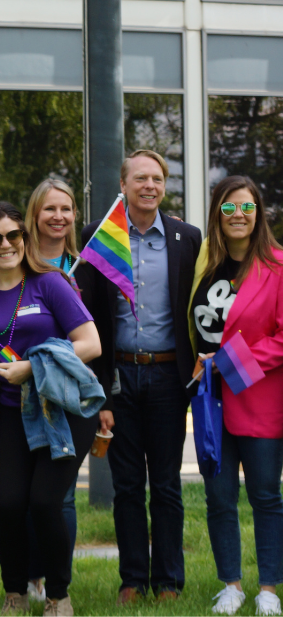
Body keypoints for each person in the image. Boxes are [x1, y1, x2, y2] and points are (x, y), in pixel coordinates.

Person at [0, 202, 102, 617]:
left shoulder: (50, 284)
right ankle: (14, 593)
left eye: (13, 235)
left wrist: (32, 367)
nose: (6, 244)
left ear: (25, 238)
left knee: (44, 502)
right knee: (7, 506)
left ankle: (58, 596)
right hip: (9, 414)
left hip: (62, 410)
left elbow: (91, 344)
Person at [74, 149, 202, 604]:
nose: (149, 186)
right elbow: (87, 315)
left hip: (169, 377)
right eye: (140, 179)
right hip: (118, 377)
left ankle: (168, 581)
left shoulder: (188, 239)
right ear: (123, 186)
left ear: (164, 186)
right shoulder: (98, 238)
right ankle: (132, 580)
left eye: (157, 179)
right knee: (127, 485)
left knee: (166, 484)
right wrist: (98, 392)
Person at [190, 177, 283, 617]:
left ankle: (268, 588)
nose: (238, 216)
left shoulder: (279, 265)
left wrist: (228, 360)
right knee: (219, 496)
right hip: (210, 401)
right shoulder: (205, 265)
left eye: (246, 208)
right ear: (217, 215)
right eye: (228, 210)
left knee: (265, 495)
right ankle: (231, 584)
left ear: (258, 212)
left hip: (260, 398)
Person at [23, 179, 81, 601]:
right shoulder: (14, 263)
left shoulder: (89, 267)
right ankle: (32, 579)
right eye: (49, 209)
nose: (58, 216)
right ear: (34, 216)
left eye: (66, 208)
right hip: (20, 396)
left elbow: (103, 337)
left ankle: (59, 581)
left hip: (70, 397)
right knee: (25, 495)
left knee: (59, 499)